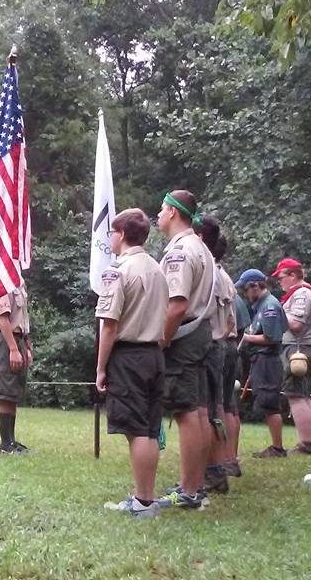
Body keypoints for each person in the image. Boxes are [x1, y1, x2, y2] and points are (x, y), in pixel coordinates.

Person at [94, 209, 169, 518]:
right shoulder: (156, 268)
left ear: (122, 234)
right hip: (155, 353)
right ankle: (146, 497)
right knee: (150, 429)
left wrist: (101, 367)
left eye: (112, 232)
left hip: (129, 356)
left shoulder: (118, 270)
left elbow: (109, 324)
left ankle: (142, 500)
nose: (110, 238)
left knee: (136, 430)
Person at [155, 190, 215, 510]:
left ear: (175, 213)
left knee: (185, 411)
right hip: (199, 334)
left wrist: (161, 340)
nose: (159, 214)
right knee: (199, 410)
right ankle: (195, 485)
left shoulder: (180, 251)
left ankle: (190, 491)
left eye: (162, 209)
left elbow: (176, 305)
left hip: (183, 336)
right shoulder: (200, 248)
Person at [195, 218, 235, 495]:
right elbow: (231, 321)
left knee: (206, 411)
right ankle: (216, 468)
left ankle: (211, 472)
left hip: (209, 347)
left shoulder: (210, 274)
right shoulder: (223, 275)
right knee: (215, 409)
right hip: (219, 344)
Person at [272, 257, 311, 455]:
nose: (280, 282)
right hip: (303, 348)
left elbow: (296, 325)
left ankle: (305, 445)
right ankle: (306, 442)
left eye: (281, 277)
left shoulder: (301, 295)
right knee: (303, 395)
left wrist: (275, 311)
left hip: (298, 349)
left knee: (295, 396)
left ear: (293, 275)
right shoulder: (302, 293)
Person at [236, 268, 289, 458]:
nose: (244, 294)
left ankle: (277, 448)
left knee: (270, 403)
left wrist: (247, 338)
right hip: (261, 360)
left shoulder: (270, 307)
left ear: (256, 286)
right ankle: (276, 447)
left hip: (268, 359)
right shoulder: (261, 305)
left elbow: (272, 338)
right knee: (266, 402)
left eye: (245, 289)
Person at [0, 281, 32, 454]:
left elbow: (24, 319)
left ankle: (11, 440)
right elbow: (3, 320)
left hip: (19, 339)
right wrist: (13, 349)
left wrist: (27, 348)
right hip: (7, 341)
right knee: (4, 391)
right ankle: (5, 443)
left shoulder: (19, 284)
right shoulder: (2, 282)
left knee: (13, 391)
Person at [223, 288, 251, 475]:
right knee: (230, 407)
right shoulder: (235, 294)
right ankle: (231, 458)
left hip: (222, 349)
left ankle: (226, 460)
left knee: (222, 407)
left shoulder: (221, 286)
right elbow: (242, 328)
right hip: (232, 350)